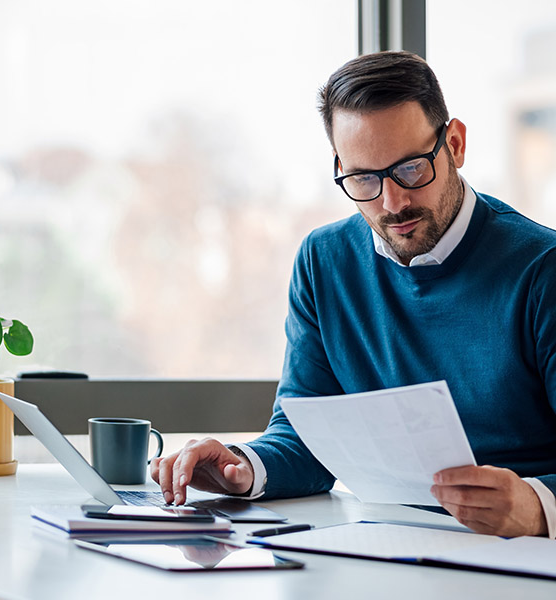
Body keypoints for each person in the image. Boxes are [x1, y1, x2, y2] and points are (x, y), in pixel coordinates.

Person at [151, 51, 556, 538]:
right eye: (364, 178)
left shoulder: (542, 269)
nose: (393, 203)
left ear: (455, 143)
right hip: (382, 542)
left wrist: (537, 507)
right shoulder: (323, 262)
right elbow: (307, 435)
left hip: (521, 558)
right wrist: (242, 466)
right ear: (341, 167)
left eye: (410, 169)